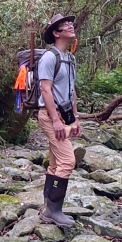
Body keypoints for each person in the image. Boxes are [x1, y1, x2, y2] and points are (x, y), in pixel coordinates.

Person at [37, 13, 81, 228]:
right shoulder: (49, 57)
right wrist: (55, 121)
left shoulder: (70, 59)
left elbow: (71, 91)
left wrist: (75, 118)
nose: (71, 26)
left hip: (65, 116)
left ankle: (48, 208)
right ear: (56, 33)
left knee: (55, 163)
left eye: (71, 23)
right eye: (65, 25)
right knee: (67, 161)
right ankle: (54, 210)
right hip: (50, 115)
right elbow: (45, 90)